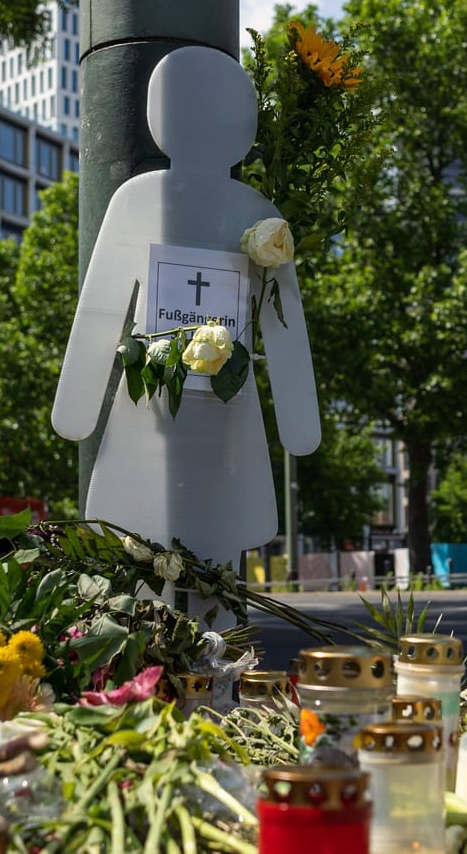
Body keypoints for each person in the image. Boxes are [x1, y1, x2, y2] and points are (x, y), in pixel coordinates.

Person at [52, 47, 320, 568]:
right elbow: (102, 306)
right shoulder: (242, 212)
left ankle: (187, 644)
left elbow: (102, 309)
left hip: (203, 409)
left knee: (185, 538)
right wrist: (298, 424)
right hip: (171, 404)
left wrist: (78, 411)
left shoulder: (252, 212)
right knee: (158, 531)